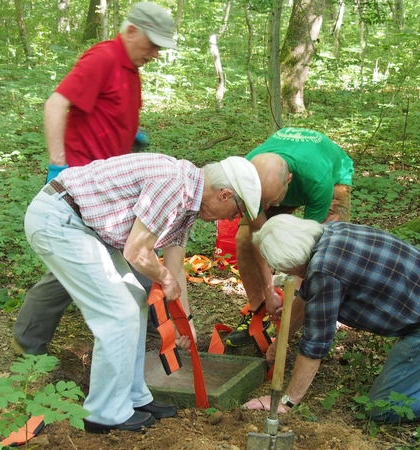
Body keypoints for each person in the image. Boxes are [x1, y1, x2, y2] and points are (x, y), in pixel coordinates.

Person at [24, 153, 261, 432]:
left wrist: (186, 322)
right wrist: (163, 278)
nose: (233, 218)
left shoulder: (188, 201)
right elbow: (137, 252)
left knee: (136, 301)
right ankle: (104, 413)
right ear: (224, 195)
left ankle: (133, 396)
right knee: (117, 312)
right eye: (237, 211)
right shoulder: (172, 185)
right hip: (61, 220)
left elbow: (175, 269)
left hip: (86, 227)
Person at [242, 215, 420, 422]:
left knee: (384, 405)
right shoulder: (329, 234)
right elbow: (306, 298)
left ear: (294, 259)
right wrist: (281, 340)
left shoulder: (324, 270)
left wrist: (288, 401)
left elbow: (316, 344)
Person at [13, 2, 176, 355]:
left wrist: (128, 137)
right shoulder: (103, 58)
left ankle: (146, 330)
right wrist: (59, 164)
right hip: (83, 186)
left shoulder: (130, 69)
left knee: (120, 253)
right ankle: (28, 342)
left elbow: (106, 112)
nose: (156, 53)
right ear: (131, 30)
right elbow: (56, 104)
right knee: (81, 262)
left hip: (111, 185)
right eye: (152, 44)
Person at [226, 127, 355, 347]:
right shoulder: (247, 173)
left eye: (271, 203)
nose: (266, 208)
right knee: (245, 240)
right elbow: (259, 234)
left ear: (289, 179)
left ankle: (312, 319)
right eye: (262, 203)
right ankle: (259, 311)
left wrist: (293, 302)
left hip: (330, 177)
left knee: (326, 253)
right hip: (276, 184)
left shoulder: (318, 180)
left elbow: (309, 247)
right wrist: (269, 291)